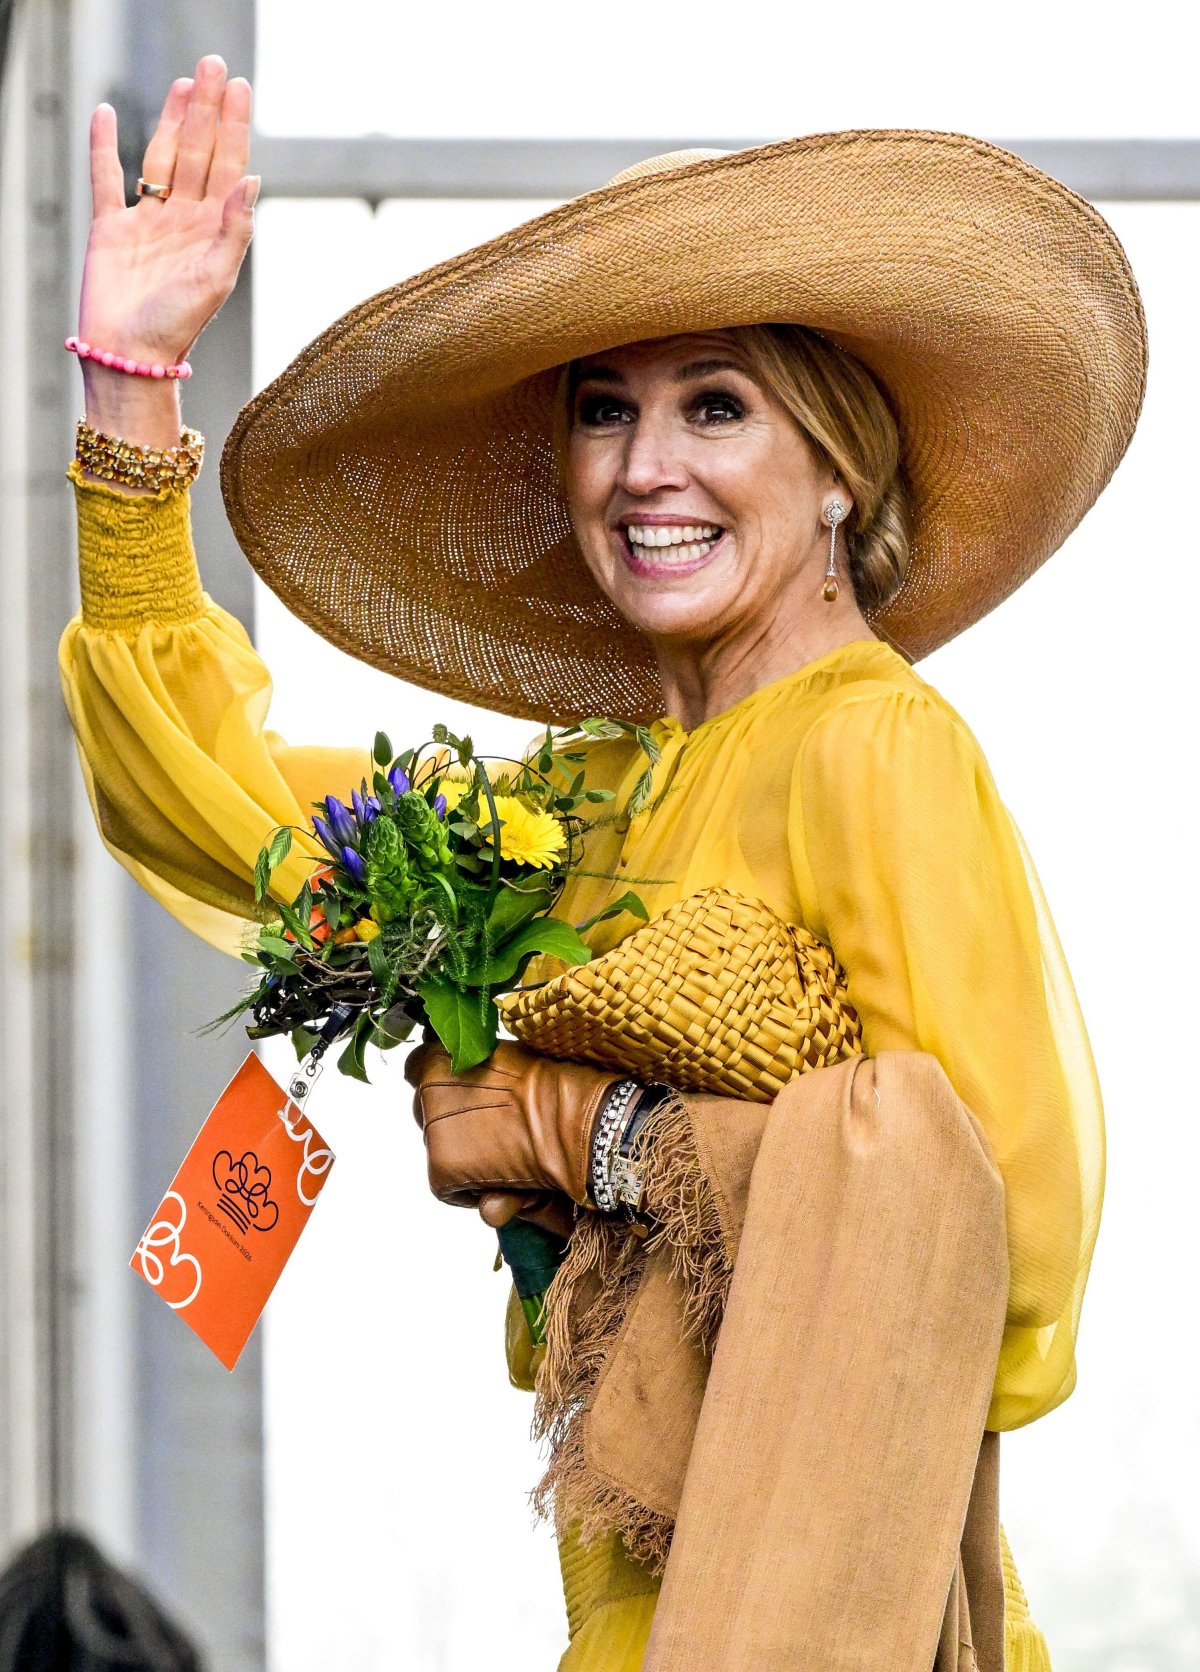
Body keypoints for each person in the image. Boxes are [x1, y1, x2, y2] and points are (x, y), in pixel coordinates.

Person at [60, 54, 1145, 1670]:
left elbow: (1009, 1228)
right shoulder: (572, 811)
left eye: (718, 404)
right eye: (604, 409)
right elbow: (209, 805)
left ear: (841, 466)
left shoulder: (873, 744)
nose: (647, 468)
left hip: (829, 1618)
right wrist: (132, 395)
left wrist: (588, 1127)